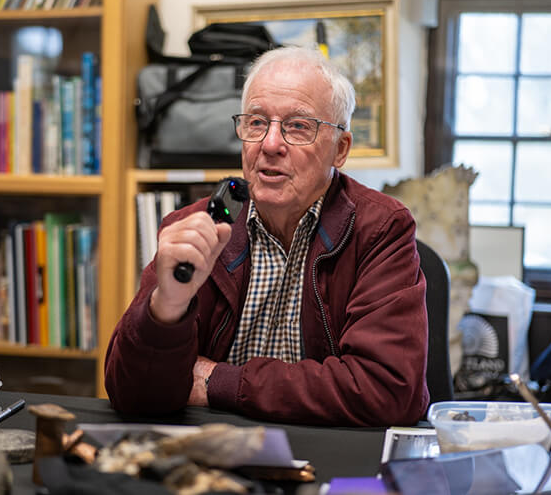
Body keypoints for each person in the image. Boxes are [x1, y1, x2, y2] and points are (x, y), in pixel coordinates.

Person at [105, 46, 429, 426]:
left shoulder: (380, 229)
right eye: (257, 123)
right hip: (217, 456)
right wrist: (168, 306)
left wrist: (217, 380)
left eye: (298, 127)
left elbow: (386, 391)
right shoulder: (199, 227)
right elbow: (132, 393)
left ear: (340, 149)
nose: (270, 144)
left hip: (327, 455)